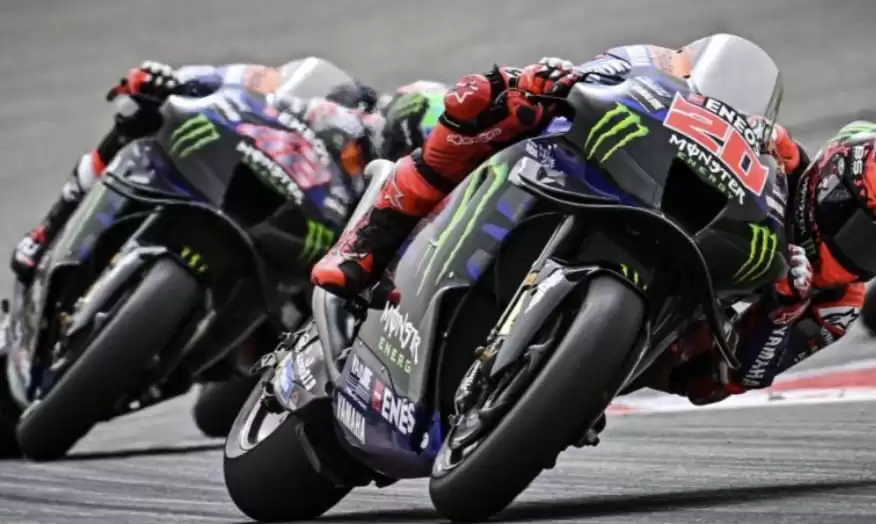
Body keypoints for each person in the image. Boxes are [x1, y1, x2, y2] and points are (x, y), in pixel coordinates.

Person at [310, 43, 875, 408]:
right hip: (650, 209)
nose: (853, 247)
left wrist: (781, 310)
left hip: (673, 340)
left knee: (700, 375)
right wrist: (582, 79)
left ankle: (561, 389)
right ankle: (371, 239)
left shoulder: (838, 303)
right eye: (853, 222)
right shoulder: (778, 153)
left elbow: (730, 382)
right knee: (498, 102)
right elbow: (672, 79)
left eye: (871, 247)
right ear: (830, 178)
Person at [9, 59, 448, 285]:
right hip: (248, 173)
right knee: (141, 114)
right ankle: (46, 232)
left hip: (290, 258)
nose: (409, 156)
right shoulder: (349, 104)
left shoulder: (394, 212)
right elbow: (259, 81)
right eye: (411, 144)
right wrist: (181, 79)